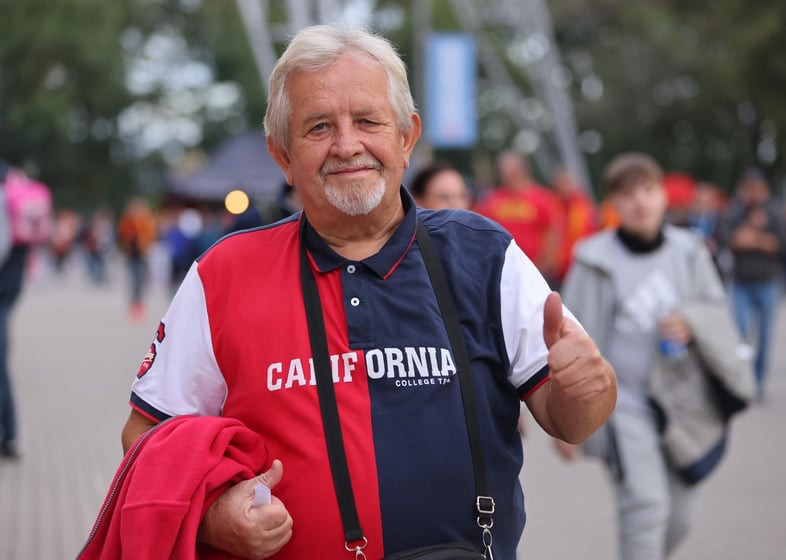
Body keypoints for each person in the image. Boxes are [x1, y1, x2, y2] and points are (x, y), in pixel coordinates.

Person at [114, 24, 616, 560]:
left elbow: (571, 421)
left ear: (406, 137)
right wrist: (213, 516)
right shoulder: (224, 274)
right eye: (319, 127)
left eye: (368, 121)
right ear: (282, 155)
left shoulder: (483, 254)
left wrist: (588, 389)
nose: (347, 145)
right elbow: (144, 437)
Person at [560, 153, 753, 560]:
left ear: (664, 196)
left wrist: (691, 322)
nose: (639, 201)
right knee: (646, 507)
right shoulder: (591, 258)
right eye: (627, 193)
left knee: (680, 518)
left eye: (648, 190)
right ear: (613, 203)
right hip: (623, 405)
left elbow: (717, 309)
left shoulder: (690, 251)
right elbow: (567, 336)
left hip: (684, 401)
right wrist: (564, 419)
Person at [716, 167, 786, 399]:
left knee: (765, 336)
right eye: (749, 188)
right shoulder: (735, 211)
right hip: (741, 282)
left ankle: (758, 381)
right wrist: (750, 235)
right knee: (741, 333)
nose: (752, 192)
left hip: (768, 282)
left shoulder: (774, 211)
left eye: (756, 188)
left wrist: (755, 238)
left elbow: (783, 244)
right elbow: (725, 238)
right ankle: (742, 379)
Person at [474, 150, 560, 280]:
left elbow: (552, 233)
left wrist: (545, 264)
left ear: (522, 169)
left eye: (512, 171)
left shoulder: (543, 198)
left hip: (535, 269)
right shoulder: (491, 200)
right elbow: (481, 231)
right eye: (504, 172)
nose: (508, 175)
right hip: (502, 270)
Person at [0, 163, 27, 458]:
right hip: (10, 287)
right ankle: (8, 434)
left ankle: (7, 434)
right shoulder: (16, 198)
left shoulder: (3, 199)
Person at [549, 165, 599, 286]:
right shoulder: (551, 205)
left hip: (579, 268)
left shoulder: (583, 207)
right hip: (555, 271)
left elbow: (589, 236)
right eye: (561, 182)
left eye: (568, 182)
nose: (565, 186)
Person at [116, 197, 157, 322]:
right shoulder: (127, 220)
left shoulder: (147, 220)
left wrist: (146, 246)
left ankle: (139, 303)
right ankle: (134, 304)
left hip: (142, 253)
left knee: (141, 279)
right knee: (134, 279)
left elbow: (150, 235)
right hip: (132, 254)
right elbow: (122, 235)